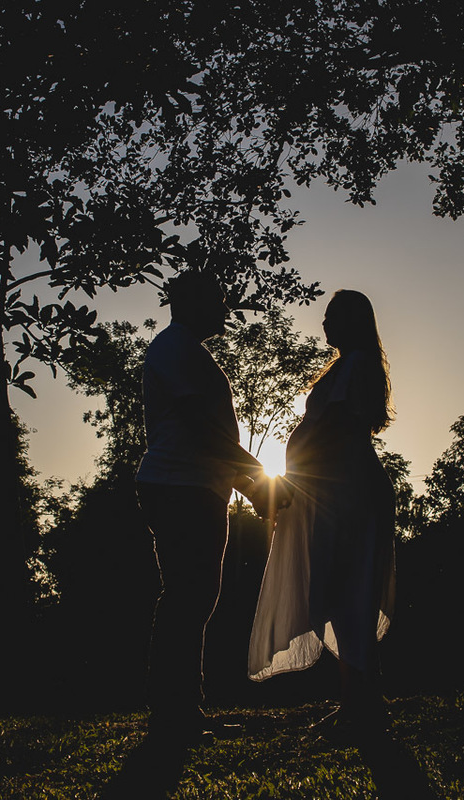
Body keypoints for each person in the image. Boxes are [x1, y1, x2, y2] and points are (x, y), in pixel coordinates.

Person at [135, 271, 277, 745]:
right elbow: (198, 428)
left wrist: (247, 484)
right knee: (187, 595)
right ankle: (172, 717)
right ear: (190, 302)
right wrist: (256, 475)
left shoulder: (188, 351)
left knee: (197, 597)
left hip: (196, 486)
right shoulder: (173, 347)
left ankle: (183, 712)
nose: (224, 307)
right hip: (178, 486)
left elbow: (209, 441)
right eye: (216, 299)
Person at [247, 289, 397, 733]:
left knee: (349, 590)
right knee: (340, 591)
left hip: (347, 490)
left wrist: (294, 476)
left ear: (351, 320)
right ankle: (358, 700)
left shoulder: (354, 366)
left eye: (331, 316)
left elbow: (334, 425)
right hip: (336, 489)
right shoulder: (347, 365)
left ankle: (361, 705)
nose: (324, 324)